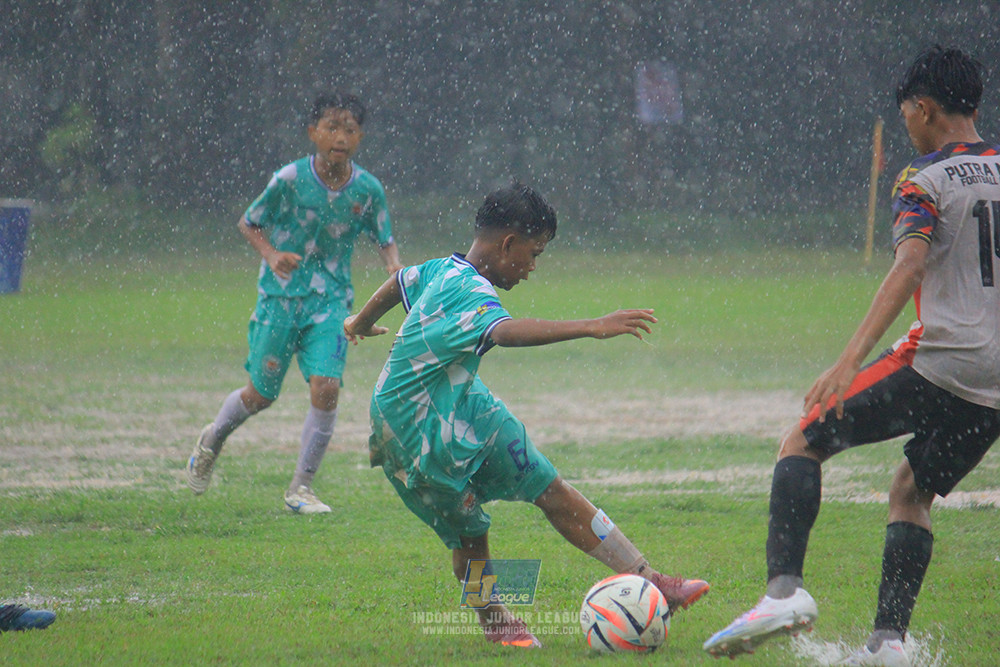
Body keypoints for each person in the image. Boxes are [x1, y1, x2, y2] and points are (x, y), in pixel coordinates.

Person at [703, 46, 1000, 666]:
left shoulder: (924, 178)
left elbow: (909, 263)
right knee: (911, 492)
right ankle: (889, 644)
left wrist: (847, 361)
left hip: (941, 362)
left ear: (923, 108)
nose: (908, 129)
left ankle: (782, 593)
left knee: (802, 440)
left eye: (907, 117)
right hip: (996, 385)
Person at [343, 182, 709, 647]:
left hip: (461, 399)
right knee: (470, 534)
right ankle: (492, 618)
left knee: (544, 480)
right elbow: (506, 332)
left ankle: (651, 580)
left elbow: (401, 280)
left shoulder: (444, 268)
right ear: (507, 243)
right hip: (412, 428)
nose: (533, 268)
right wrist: (590, 326)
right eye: (532, 254)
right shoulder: (465, 288)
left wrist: (358, 321)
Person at [186, 91, 402, 513]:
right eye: (331, 127)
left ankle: (300, 489)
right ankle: (212, 440)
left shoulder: (368, 189)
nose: (340, 137)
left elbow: (385, 239)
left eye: (350, 130)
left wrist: (395, 269)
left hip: (333, 304)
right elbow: (249, 222)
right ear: (313, 133)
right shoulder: (288, 180)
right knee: (260, 396)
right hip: (281, 299)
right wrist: (271, 255)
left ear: (360, 138)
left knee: (327, 387)